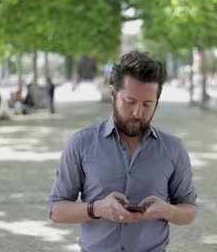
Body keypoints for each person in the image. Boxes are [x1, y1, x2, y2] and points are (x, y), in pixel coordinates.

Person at [48, 51, 197, 252]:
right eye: (130, 102)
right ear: (112, 93)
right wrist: (96, 208)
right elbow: (56, 211)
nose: (138, 113)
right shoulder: (81, 143)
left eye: (147, 104)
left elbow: (189, 211)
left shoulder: (174, 148)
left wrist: (168, 211)